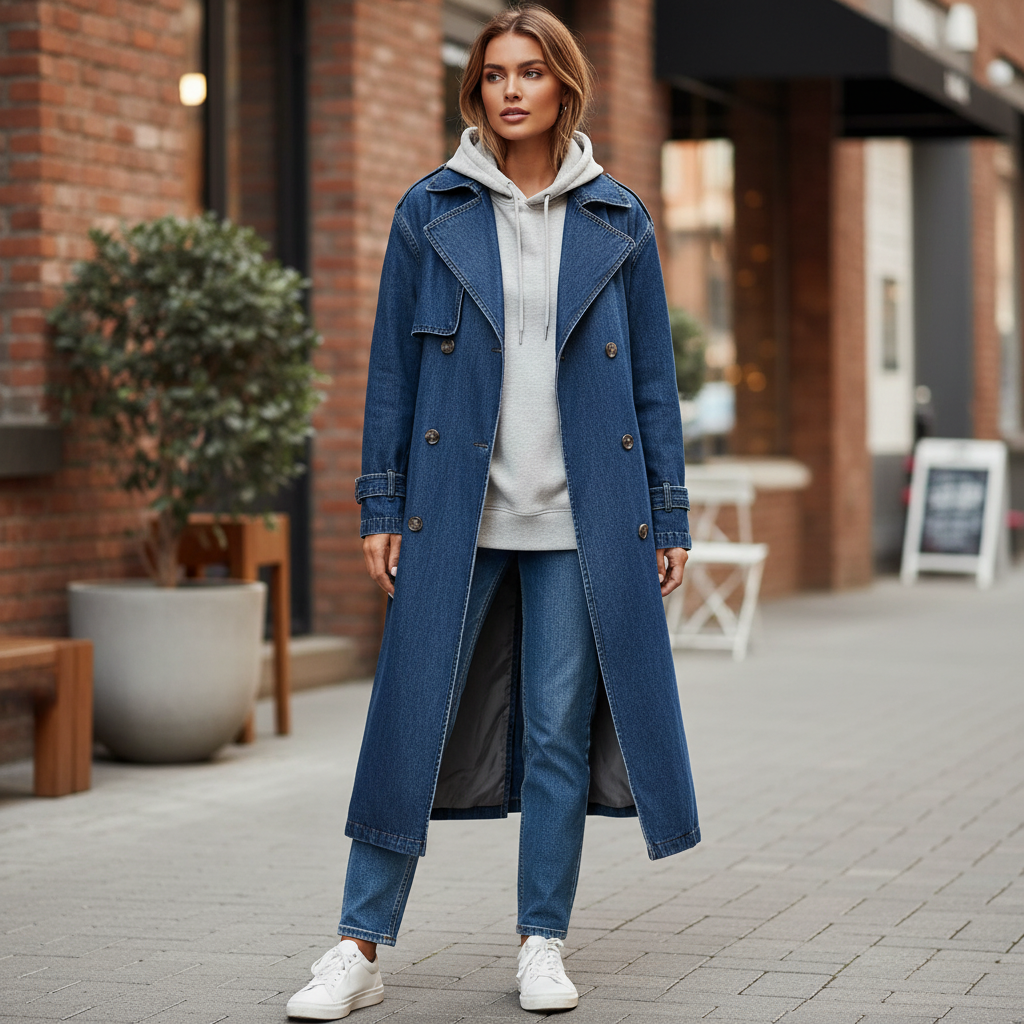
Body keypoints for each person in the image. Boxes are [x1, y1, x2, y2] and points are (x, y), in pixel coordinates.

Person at [287, 6, 699, 1020]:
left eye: (530, 72)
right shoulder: (430, 209)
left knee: (557, 733)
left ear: (563, 85)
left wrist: (667, 511)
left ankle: (542, 939)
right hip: (451, 515)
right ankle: (356, 945)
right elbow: (390, 370)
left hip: (581, 519)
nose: (511, 89)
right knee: (407, 721)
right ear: (476, 91)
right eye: (494, 74)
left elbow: (654, 382)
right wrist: (380, 500)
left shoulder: (618, 218)